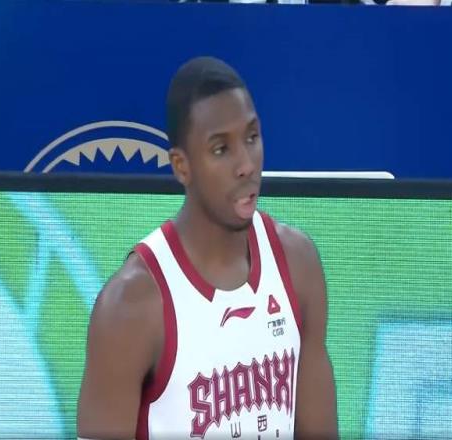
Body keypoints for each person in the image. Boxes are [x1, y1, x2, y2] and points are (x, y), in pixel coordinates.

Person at [77, 56, 338, 440]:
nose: (246, 165)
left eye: (252, 137)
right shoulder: (131, 305)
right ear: (181, 166)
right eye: (221, 149)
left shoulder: (298, 264)